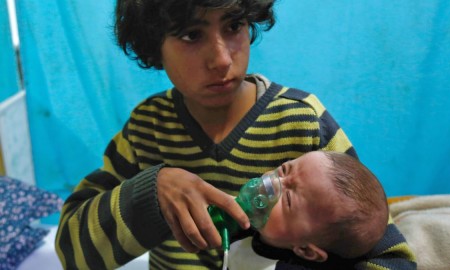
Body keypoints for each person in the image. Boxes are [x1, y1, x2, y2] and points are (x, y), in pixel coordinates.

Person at [55, 0, 416, 269]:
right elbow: (71, 251)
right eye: (191, 34)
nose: (222, 60)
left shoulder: (302, 121)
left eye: (233, 26)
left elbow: (385, 251)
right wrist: (151, 193)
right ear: (154, 46)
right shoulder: (146, 129)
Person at [229, 150, 408, 269]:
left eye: (288, 200)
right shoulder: (242, 225)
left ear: (306, 250)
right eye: (284, 169)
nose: (274, 183)